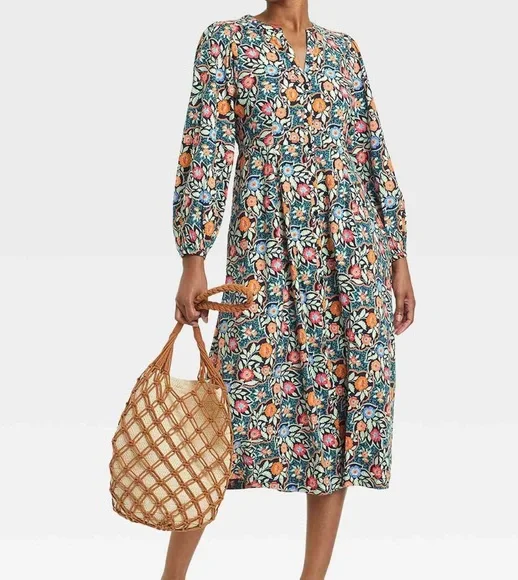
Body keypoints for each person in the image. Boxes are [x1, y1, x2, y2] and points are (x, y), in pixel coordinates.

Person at [167, 1, 415, 578]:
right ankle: (171, 576)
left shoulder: (344, 51)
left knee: (339, 407)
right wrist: (193, 256)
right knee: (222, 417)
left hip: (352, 258)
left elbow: (372, 154)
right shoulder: (226, 42)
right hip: (264, 253)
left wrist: (398, 256)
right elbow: (205, 151)